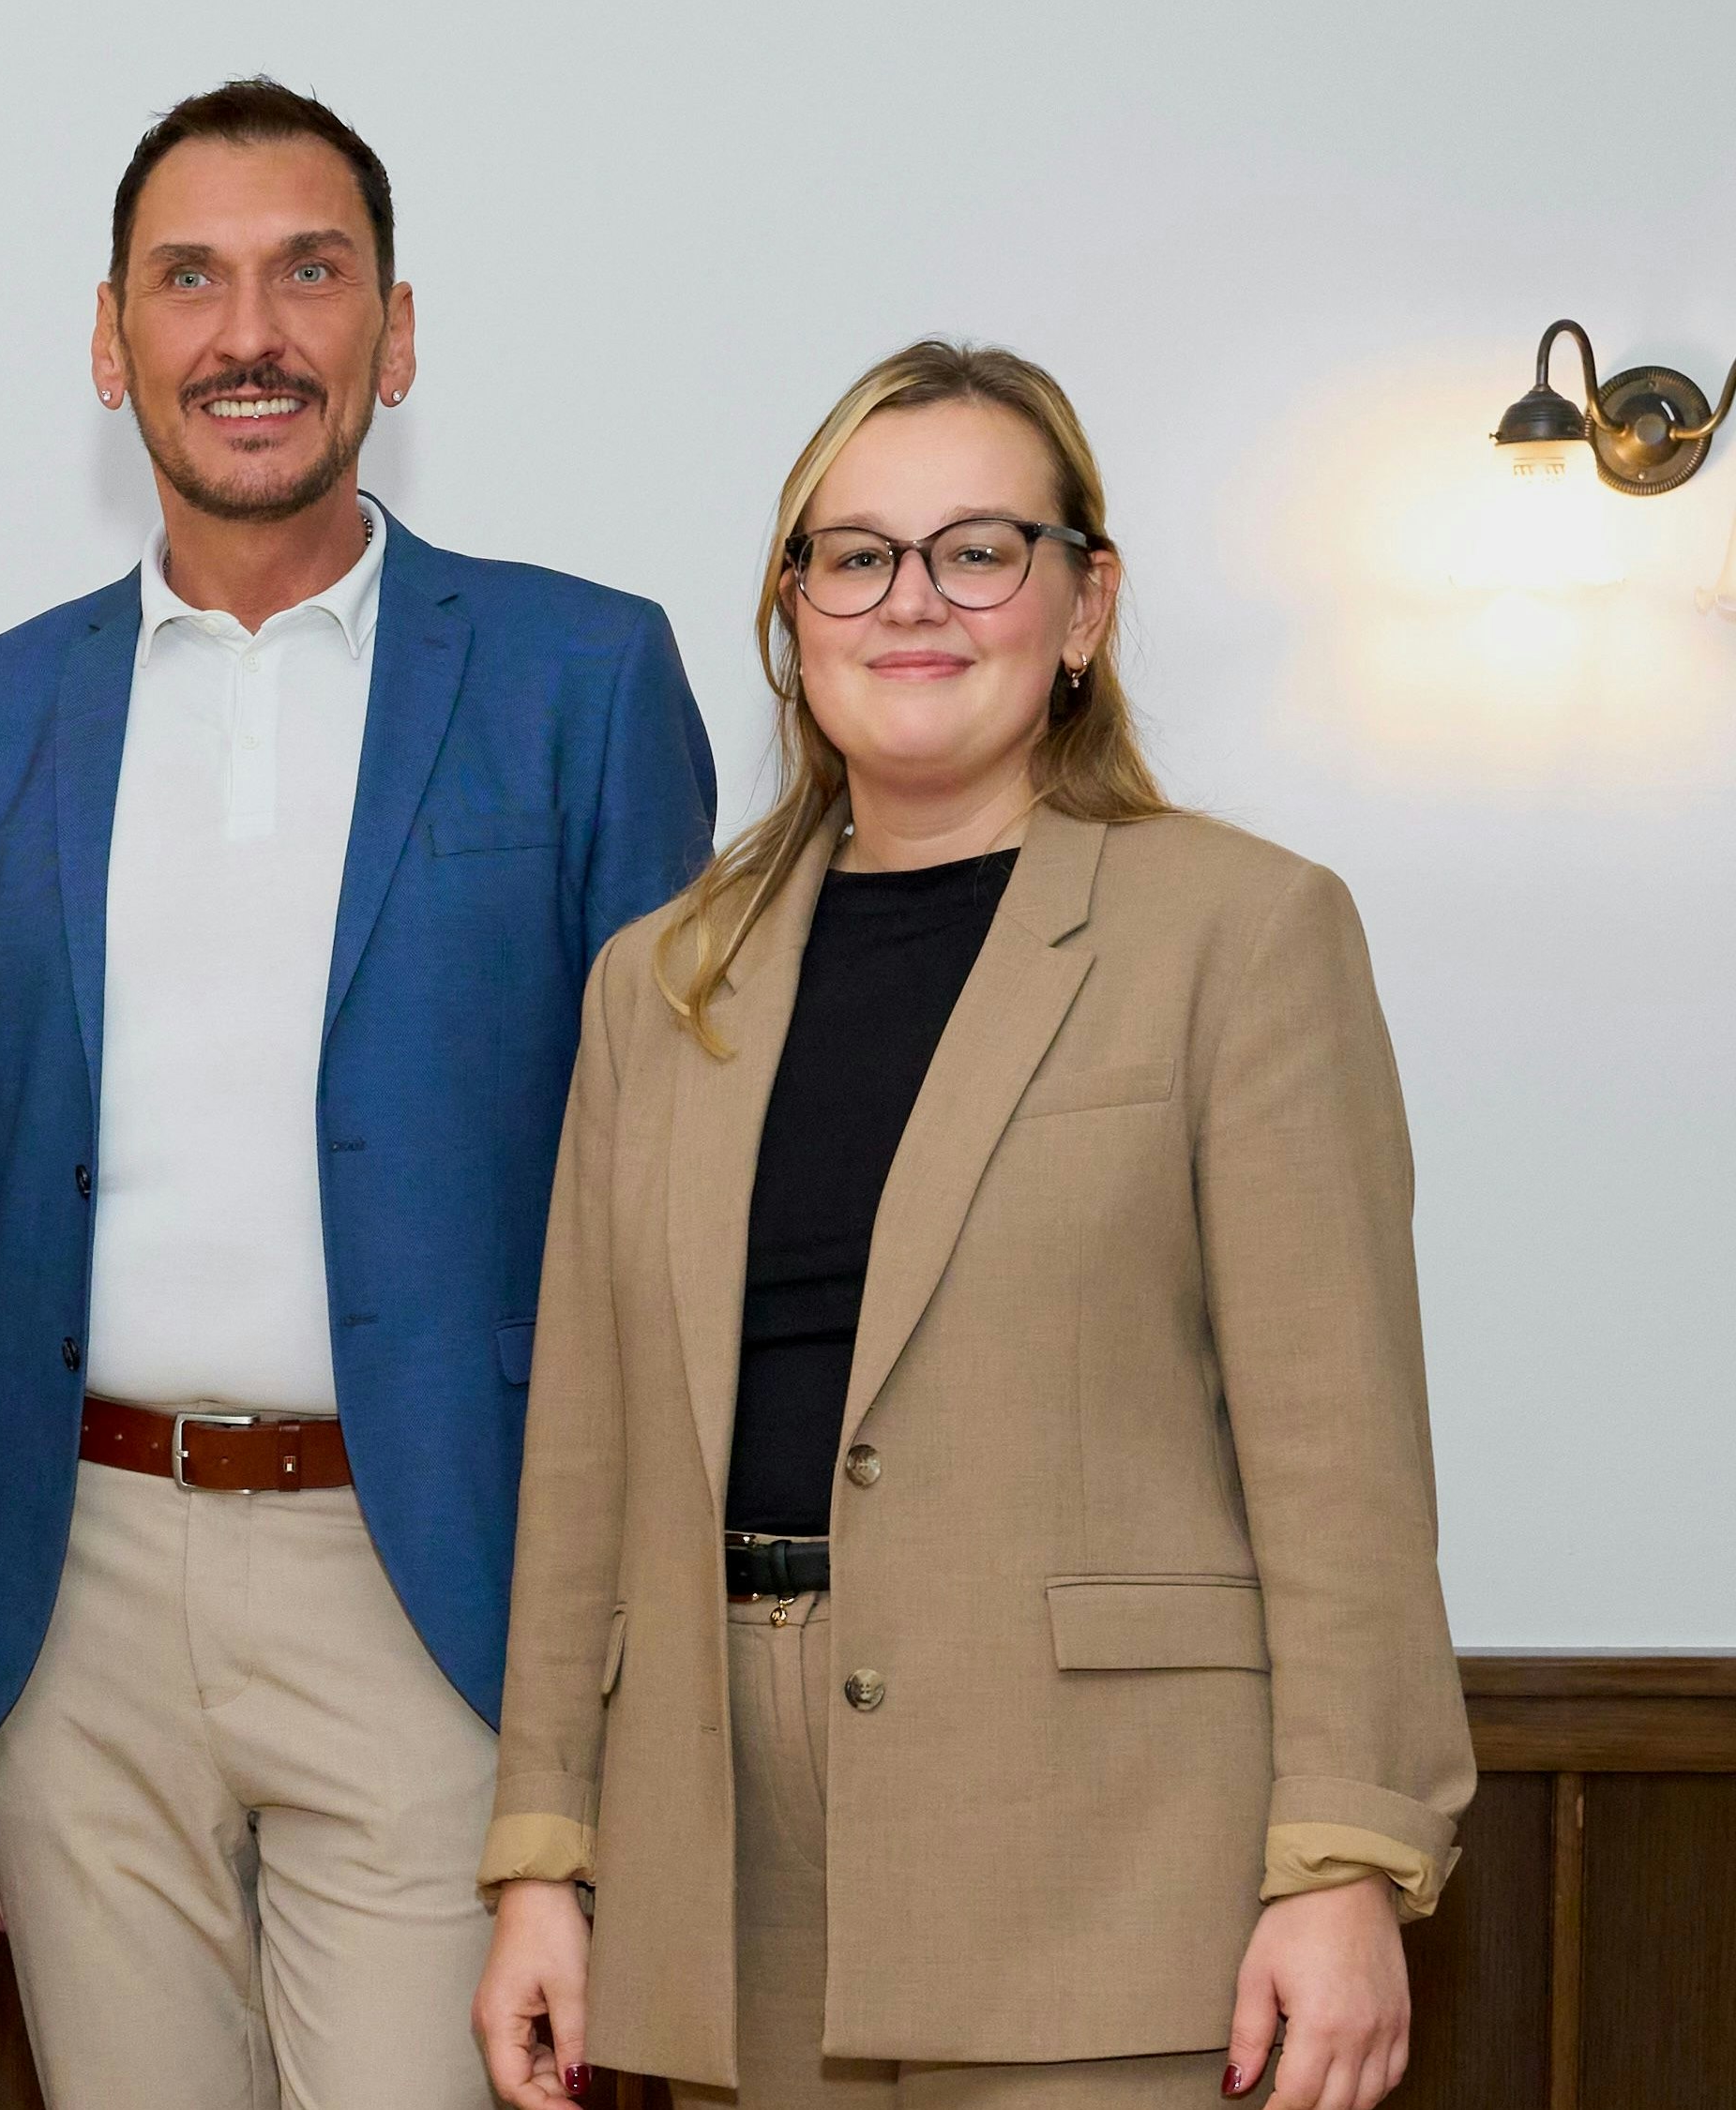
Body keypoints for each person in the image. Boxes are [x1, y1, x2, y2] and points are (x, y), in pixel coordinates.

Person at [471, 341, 1476, 2110]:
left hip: (1109, 1854)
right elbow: (586, 1456)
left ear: (1085, 606)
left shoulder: (1242, 934)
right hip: (726, 1865)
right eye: (856, 556)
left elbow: (1340, 1451)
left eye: (979, 550)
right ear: (794, 615)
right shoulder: (664, 981)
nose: (912, 600)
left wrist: (1344, 1862)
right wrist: (546, 1853)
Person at [0, 79, 718, 2110]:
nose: (246, 332)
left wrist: (619, 1688)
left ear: (393, 333)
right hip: (71, 1601)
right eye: (187, 279)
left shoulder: (583, 677)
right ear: (111, 344)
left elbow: (669, 1218)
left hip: (433, 1587)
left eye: (307, 273)